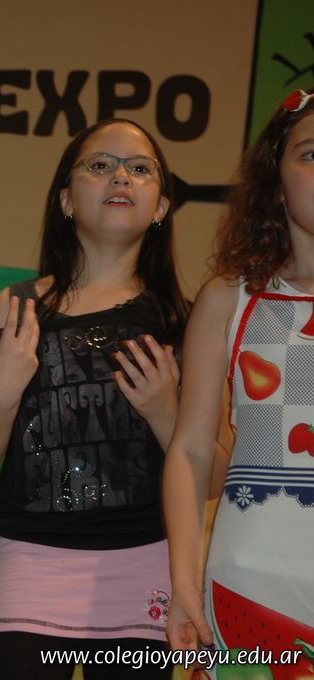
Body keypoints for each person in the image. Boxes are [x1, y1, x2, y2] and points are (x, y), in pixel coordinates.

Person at [0, 119, 189, 679]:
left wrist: (166, 414)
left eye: (140, 168)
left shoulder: (183, 319)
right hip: (30, 568)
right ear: (65, 199)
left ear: (161, 205)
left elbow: (210, 475)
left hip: (144, 567)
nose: (120, 177)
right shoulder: (16, 309)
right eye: (99, 165)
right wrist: (2, 393)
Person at [164, 88, 314, 675]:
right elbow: (191, 449)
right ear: (274, 181)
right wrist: (183, 583)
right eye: (311, 154)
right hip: (245, 591)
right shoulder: (229, 299)